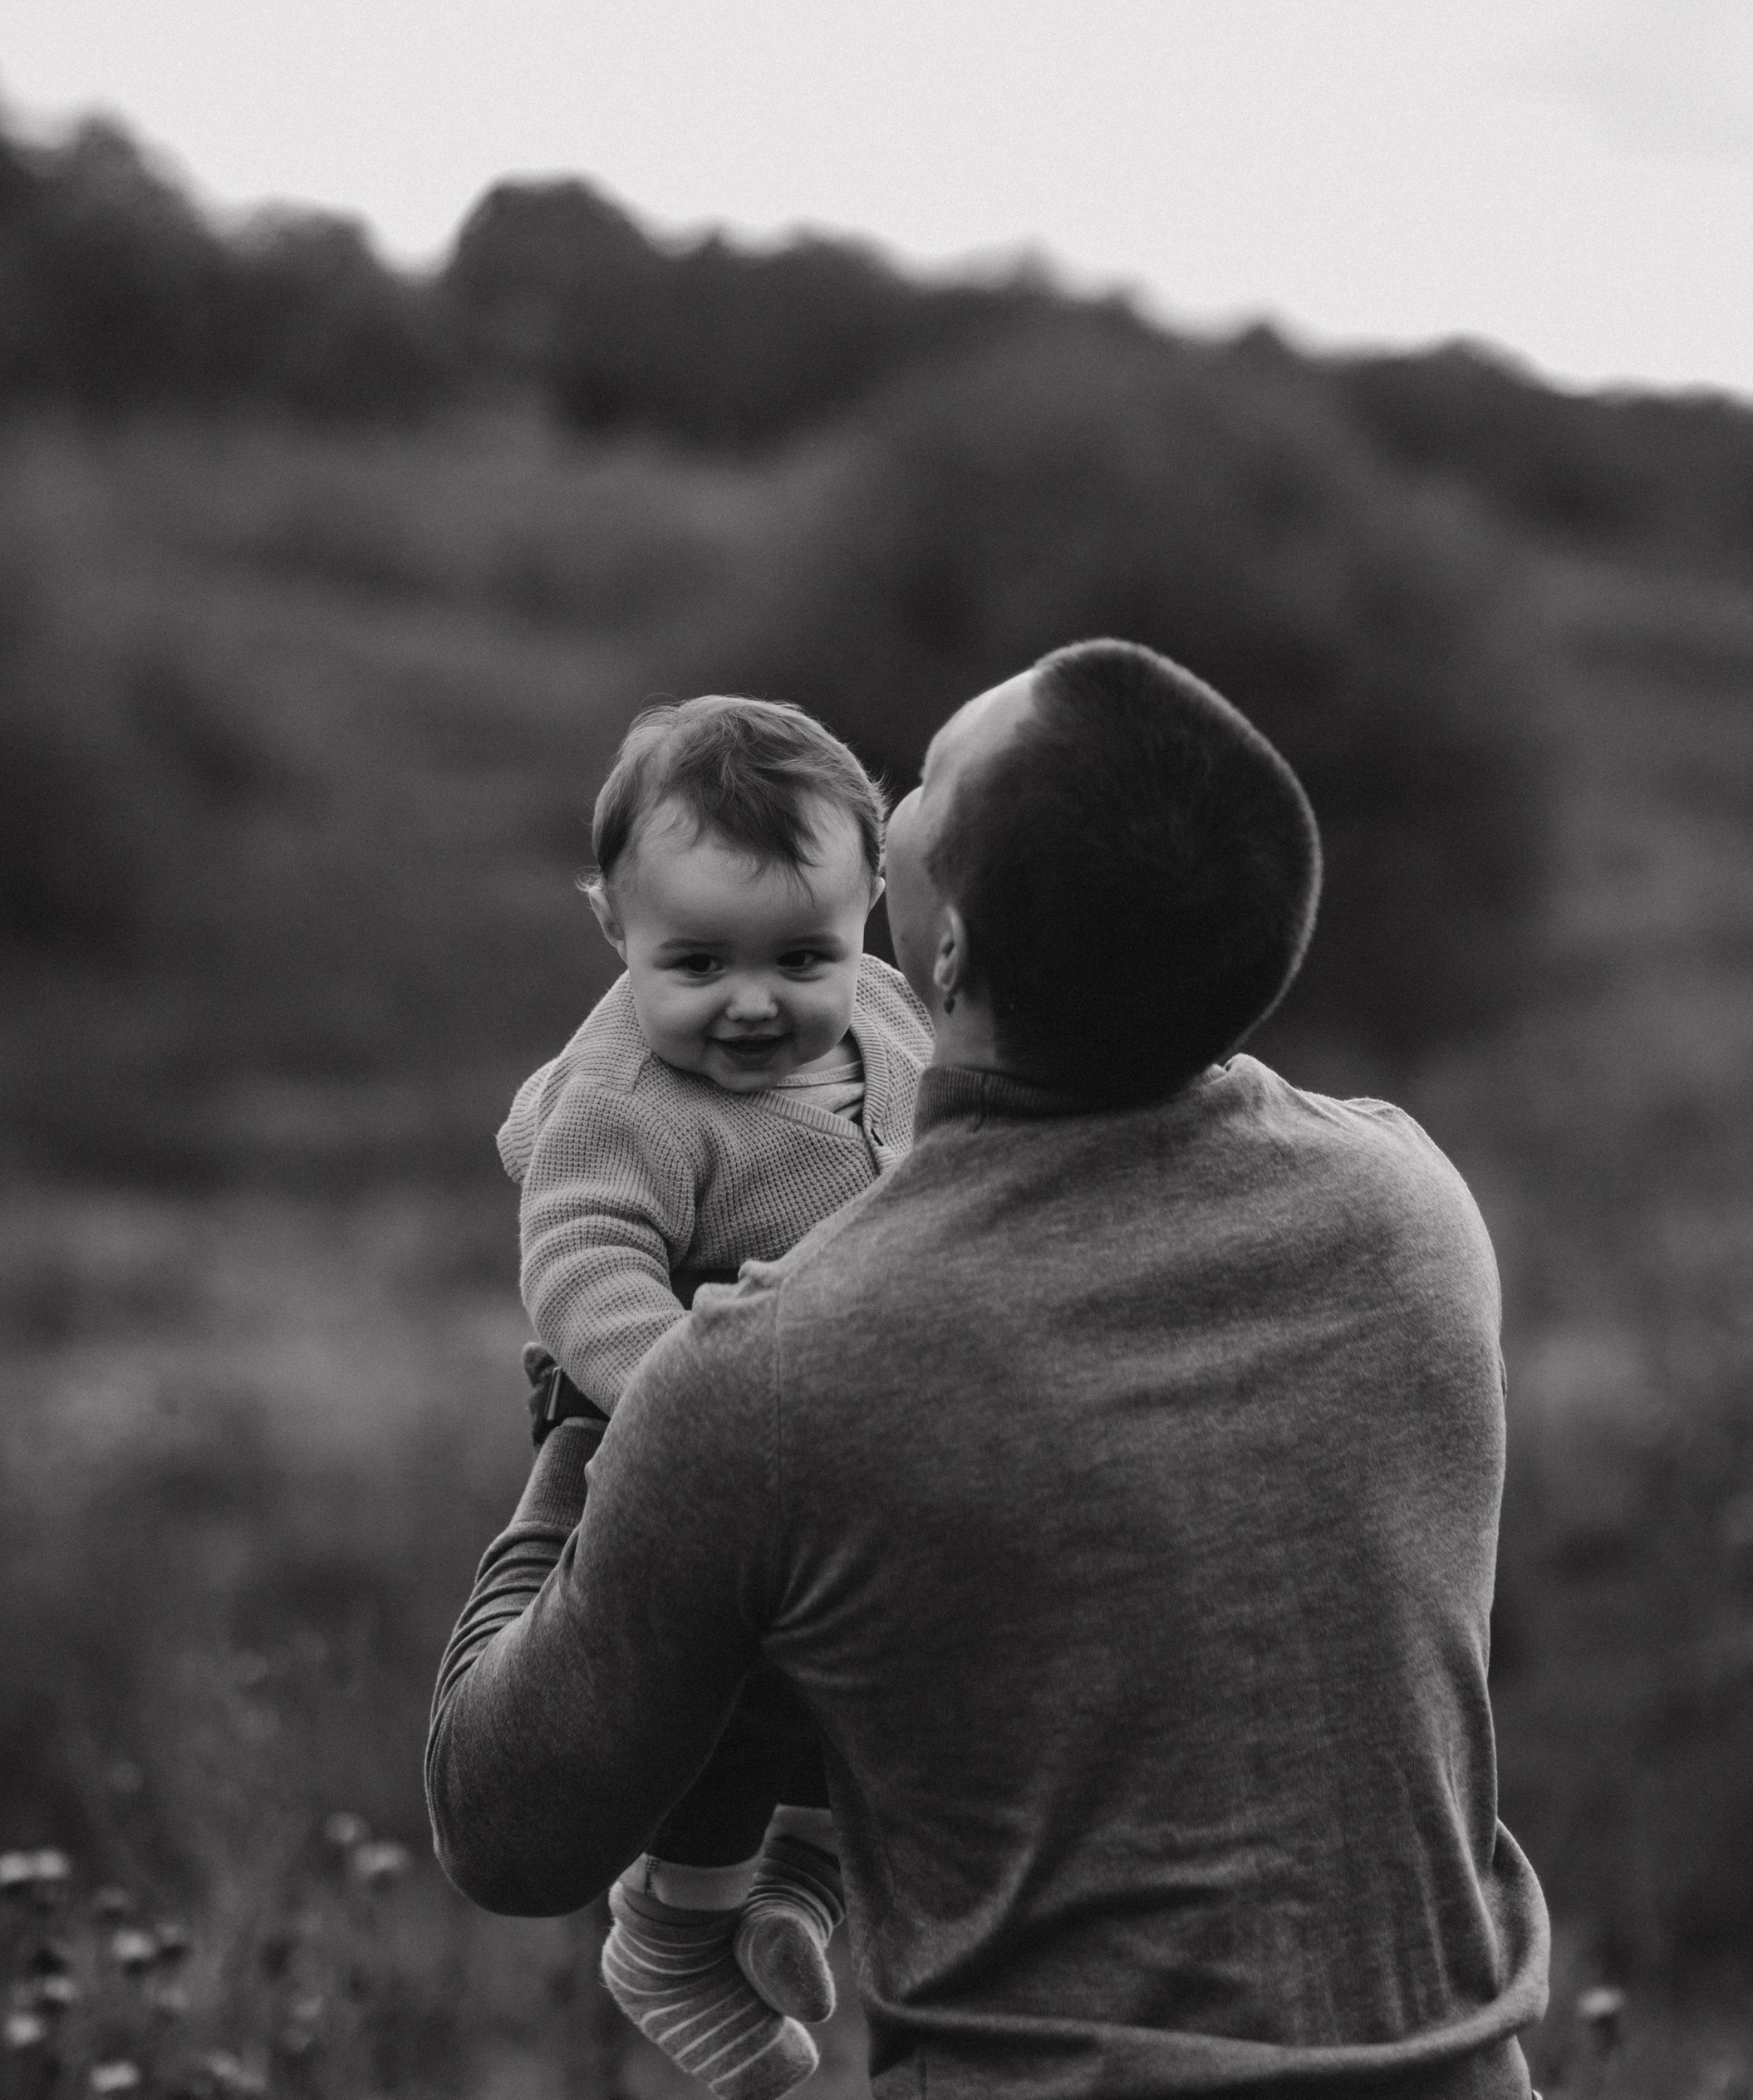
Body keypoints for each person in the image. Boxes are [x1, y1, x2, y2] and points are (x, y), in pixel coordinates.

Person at [432, 639, 1550, 2100]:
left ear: (939, 955)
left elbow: (506, 1829)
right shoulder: (1415, 1211)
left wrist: (591, 1430)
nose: (891, 790)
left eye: (931, 781)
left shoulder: (779, 1369)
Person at [498, 693, 932, 2089]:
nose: (754, 1002)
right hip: (670, 1428)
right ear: (614, 932)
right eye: (696, 962)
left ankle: (801, 1885)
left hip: (849, 1420)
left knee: (885, 1651)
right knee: (741, 1675)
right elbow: (581, 1266)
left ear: (874, 910)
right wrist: (693, 1391)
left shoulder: (880, 1011)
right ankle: (676, 1931)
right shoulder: (633, 1098)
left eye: (802, 953)